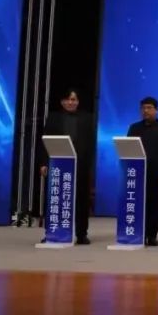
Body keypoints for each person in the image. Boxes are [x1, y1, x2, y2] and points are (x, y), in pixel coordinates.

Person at [37, 88, 96, 244]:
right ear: (62, 102)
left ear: (78, 102)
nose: (70, 102)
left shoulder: (87, 118)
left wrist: (90, 165)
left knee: (81, 200)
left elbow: (91, 144)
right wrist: (44, 163)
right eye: (68, 99)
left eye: (74, 99)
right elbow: (45, 141)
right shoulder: (53, 118)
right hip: (58, 165)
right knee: (55, 199)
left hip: (80, 165)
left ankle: (81, 234)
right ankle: (52, 231)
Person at [126, 97, 158, 247]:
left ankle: (152, 235)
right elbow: (128, 149)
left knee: (156, 205)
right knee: (138, 204)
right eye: (143, 108)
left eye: (149, 108)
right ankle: (138, 233)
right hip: (137, 173)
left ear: (156, 110)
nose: (145, 111)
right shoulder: (134, 128)